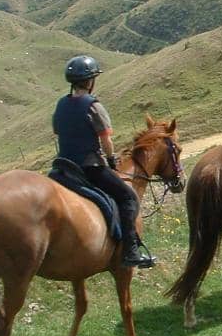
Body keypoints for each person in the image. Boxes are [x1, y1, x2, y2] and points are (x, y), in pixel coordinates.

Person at [53, 55, 154, 268]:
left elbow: (57, 131)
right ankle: (130, 252)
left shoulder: (61, 104)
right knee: (128, 198)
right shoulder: (93, 106)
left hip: (62, 167)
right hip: (89, 166)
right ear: (90, 81)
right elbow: (105, 139)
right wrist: (110, 159)